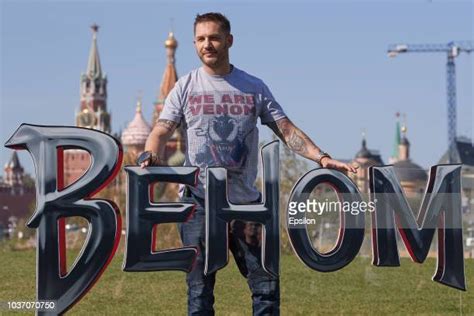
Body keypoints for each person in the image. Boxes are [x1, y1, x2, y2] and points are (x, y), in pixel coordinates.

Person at [139, 12, 357, 315]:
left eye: (214, 37)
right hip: (199, 203)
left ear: (229, 40)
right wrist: (149, 153)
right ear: (193, 44)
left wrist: (321, 157)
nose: (207, 44)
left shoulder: (253, 87)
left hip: (246, 204)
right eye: (201, 39)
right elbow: (162, 129)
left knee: (265, 286)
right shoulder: (186, 86)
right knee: (199, 292)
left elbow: (286, 130)